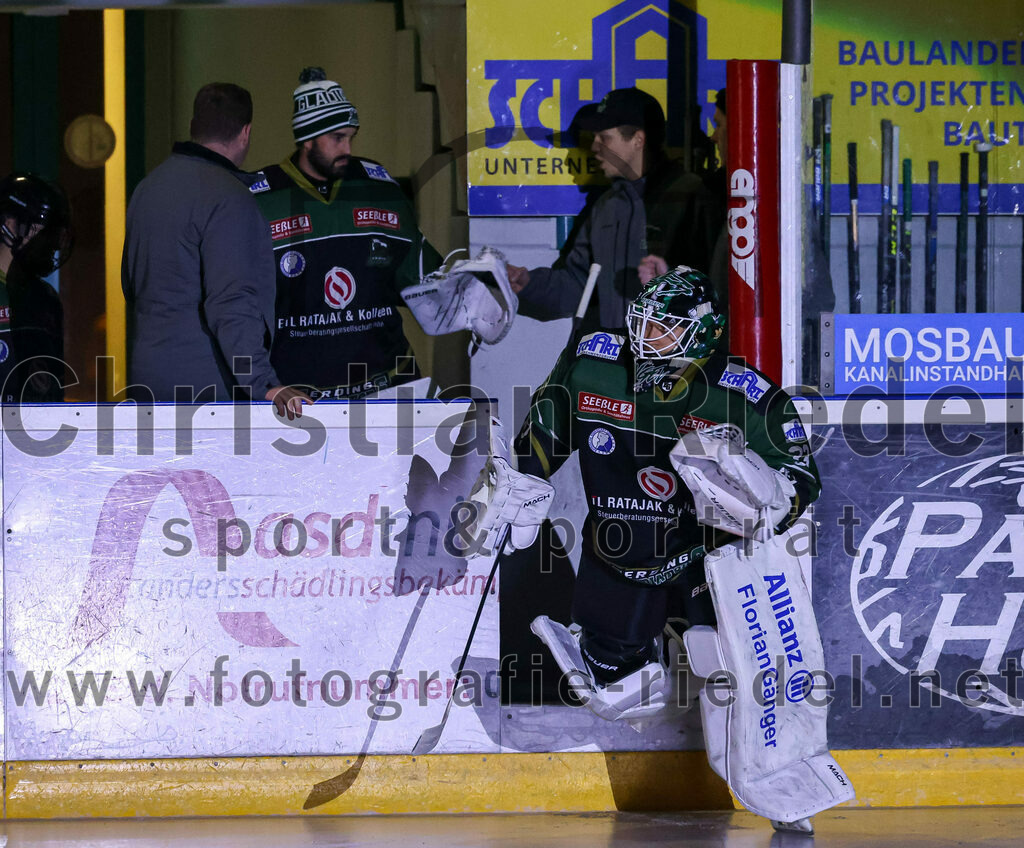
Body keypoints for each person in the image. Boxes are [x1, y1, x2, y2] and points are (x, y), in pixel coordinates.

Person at [498, 266, 847, 829]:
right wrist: (516, 481)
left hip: (707, 565)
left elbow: (800, 483)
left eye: (661, 331)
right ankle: (645, 675)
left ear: (702, 334)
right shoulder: (595, 366)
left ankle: (779, 782)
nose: (643, 340)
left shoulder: (749, 401)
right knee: (611, 687)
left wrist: (766, 499)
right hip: (618, 554)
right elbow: (540, 439)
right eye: (641, 324)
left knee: (732, 672)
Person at [251, 67, 443, 400]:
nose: (348, 149)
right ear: (307, 138)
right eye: (337, 138)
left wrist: (467, 288)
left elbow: (421, 273)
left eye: (351, 137)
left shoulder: (378, 189)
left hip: (387, 384)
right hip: (299, 397)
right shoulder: (262, 200)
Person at [122, 82, 308, 418]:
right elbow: (232, 302)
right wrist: (263, 383)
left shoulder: (146, 189)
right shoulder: (229, 198)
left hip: (146, 386)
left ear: (193, 127)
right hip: (207, 397)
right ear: (246, 133)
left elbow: (131, 284)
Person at [507, 87, 716, 332]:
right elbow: (577, 284)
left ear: (638, 140)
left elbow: (717, 292)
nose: (594, 147)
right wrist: (528, 283)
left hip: (669, 362)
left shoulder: (690, 197)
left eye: (604, 138)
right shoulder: (606, 206)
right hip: (609, 363)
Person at [0, 172, 69, 403]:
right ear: (10, 225)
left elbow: (52, 385)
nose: (50, 245)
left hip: (36, 432)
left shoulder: (45, 298)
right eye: (41, 231)